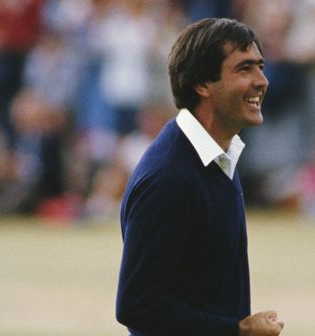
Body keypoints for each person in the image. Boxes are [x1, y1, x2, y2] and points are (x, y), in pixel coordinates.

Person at [116, 18, 284, 335]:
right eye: (244, 69)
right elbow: (137, 306)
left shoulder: (217, 156)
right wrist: (238, 330)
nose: (262, 81)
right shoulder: (170, 177)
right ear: (202, 84)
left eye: (260, 67)